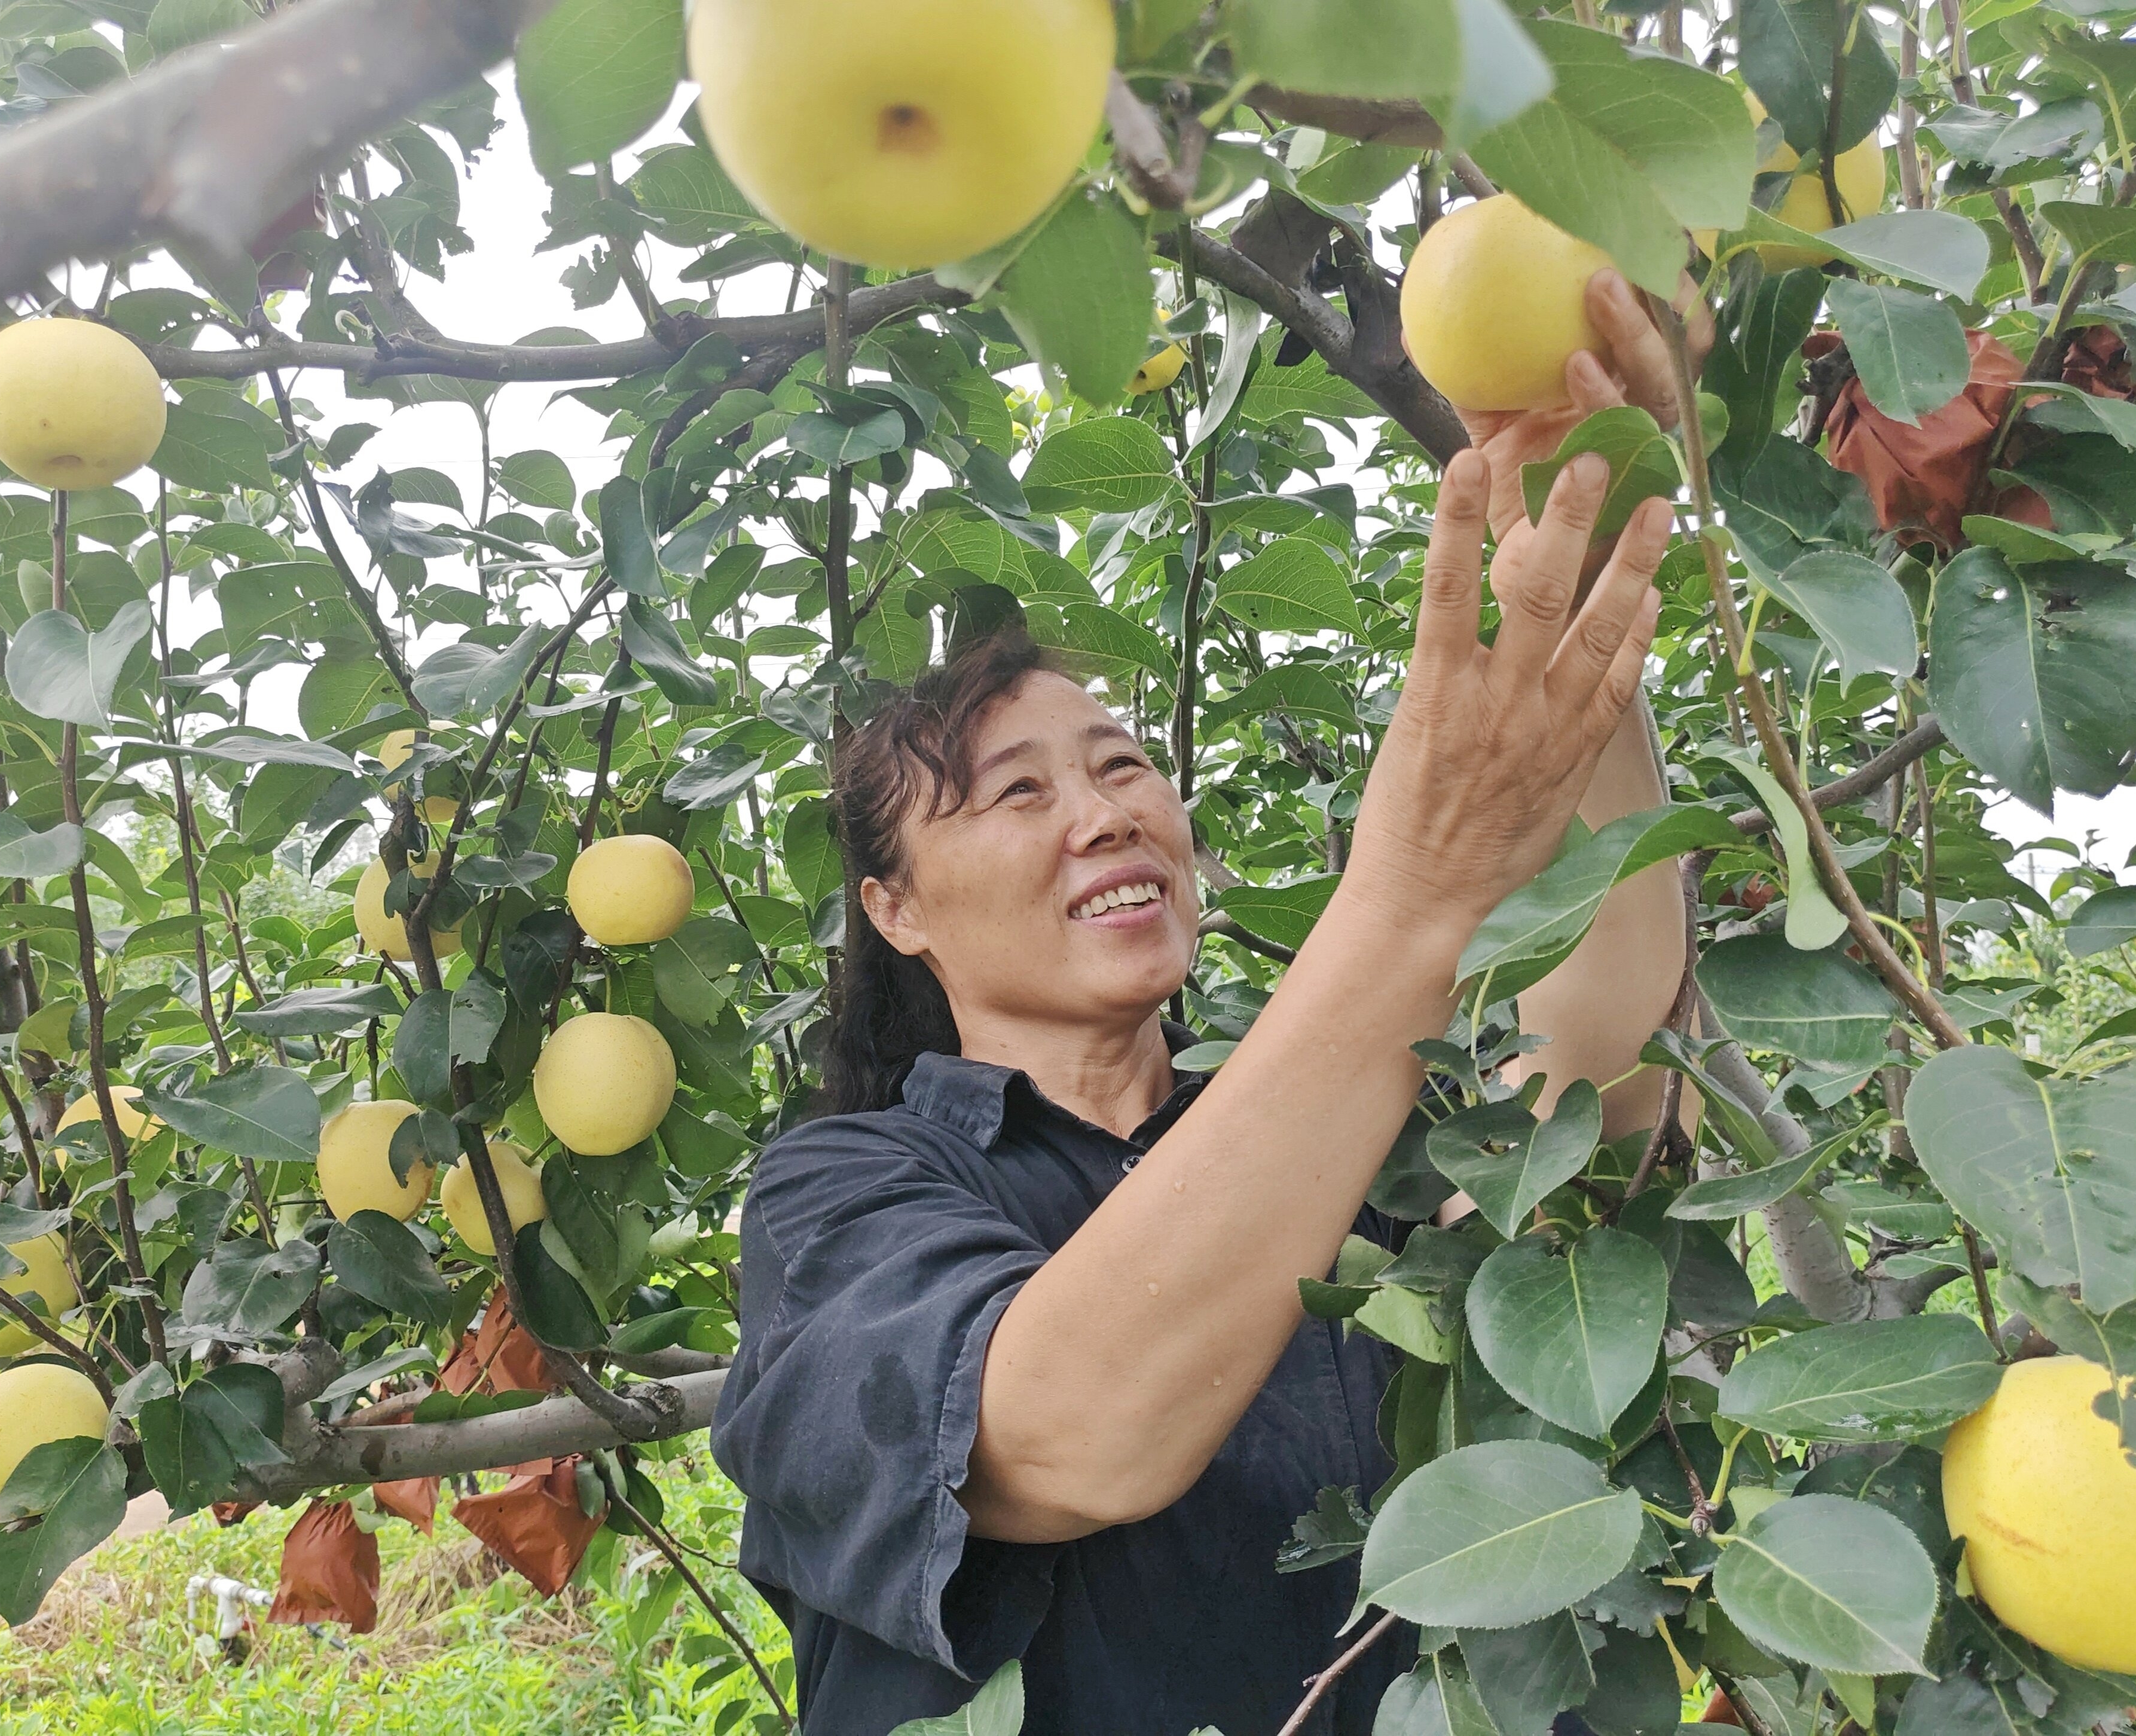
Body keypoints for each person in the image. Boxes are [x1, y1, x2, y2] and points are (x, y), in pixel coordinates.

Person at [712, 273, 1704, 1735]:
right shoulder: (841, 1197)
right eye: (1018, 793)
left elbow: (1596, 1059)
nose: (1103, 814)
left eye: (1121, 766)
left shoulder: (1353, 1134)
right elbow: (1062, 1437)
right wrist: (1412, 898)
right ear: (895, 910)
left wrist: (1578, 589)